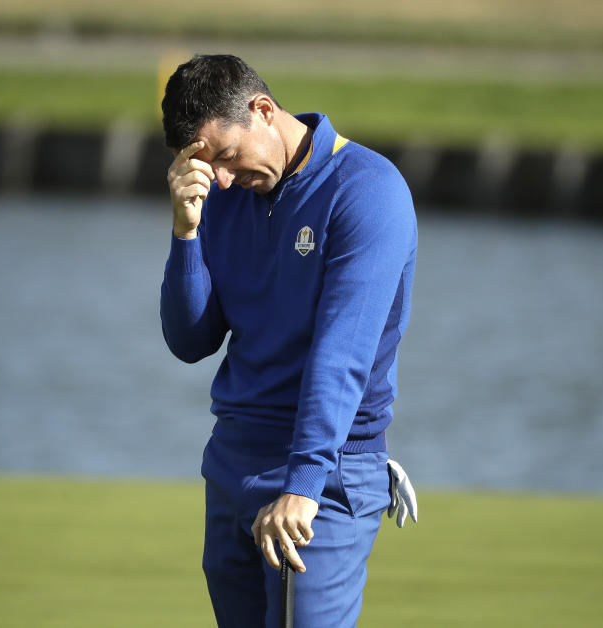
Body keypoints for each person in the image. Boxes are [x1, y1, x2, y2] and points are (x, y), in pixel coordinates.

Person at [159, 54, 417, 628]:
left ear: (263, 110)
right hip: (232, 465)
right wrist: (185, 231)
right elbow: (189, 339)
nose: (221, 178)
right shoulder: (220, 197)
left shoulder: (367, 192)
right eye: (206, 165)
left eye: (226, 155)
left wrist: (305, 484)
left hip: (322, 475)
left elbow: (341, 354)